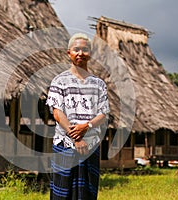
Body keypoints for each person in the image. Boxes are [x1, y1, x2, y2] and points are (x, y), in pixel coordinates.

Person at [46, 33, 110, 200]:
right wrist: (76, 137)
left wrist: (86, 127)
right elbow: (57, 112)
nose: (80, 53)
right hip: (65, 143)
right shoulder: (59, 81)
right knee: (62, 192)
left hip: (91, 145)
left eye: (85, 49)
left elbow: (103, 113)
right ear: (69, 53)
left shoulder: (98, 84)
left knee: (87, 193)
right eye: (76, 49)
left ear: (90, 53)